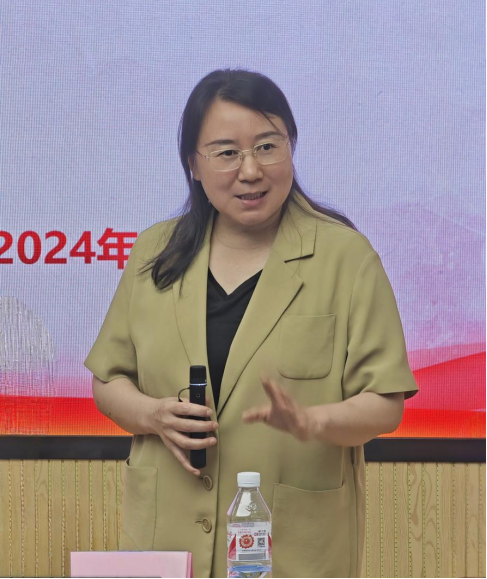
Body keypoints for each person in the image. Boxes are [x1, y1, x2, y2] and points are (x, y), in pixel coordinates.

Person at [85, 68, 418, 578]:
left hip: (292, 547)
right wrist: (153, 415)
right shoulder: (155, 254)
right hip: (166, 541)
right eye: (226, 152)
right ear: (193, 165)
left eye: (267, 146)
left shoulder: (346, 258)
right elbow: (109, 380)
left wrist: (314, 422)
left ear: (291, 147)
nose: (250, 170)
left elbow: (385, 403)